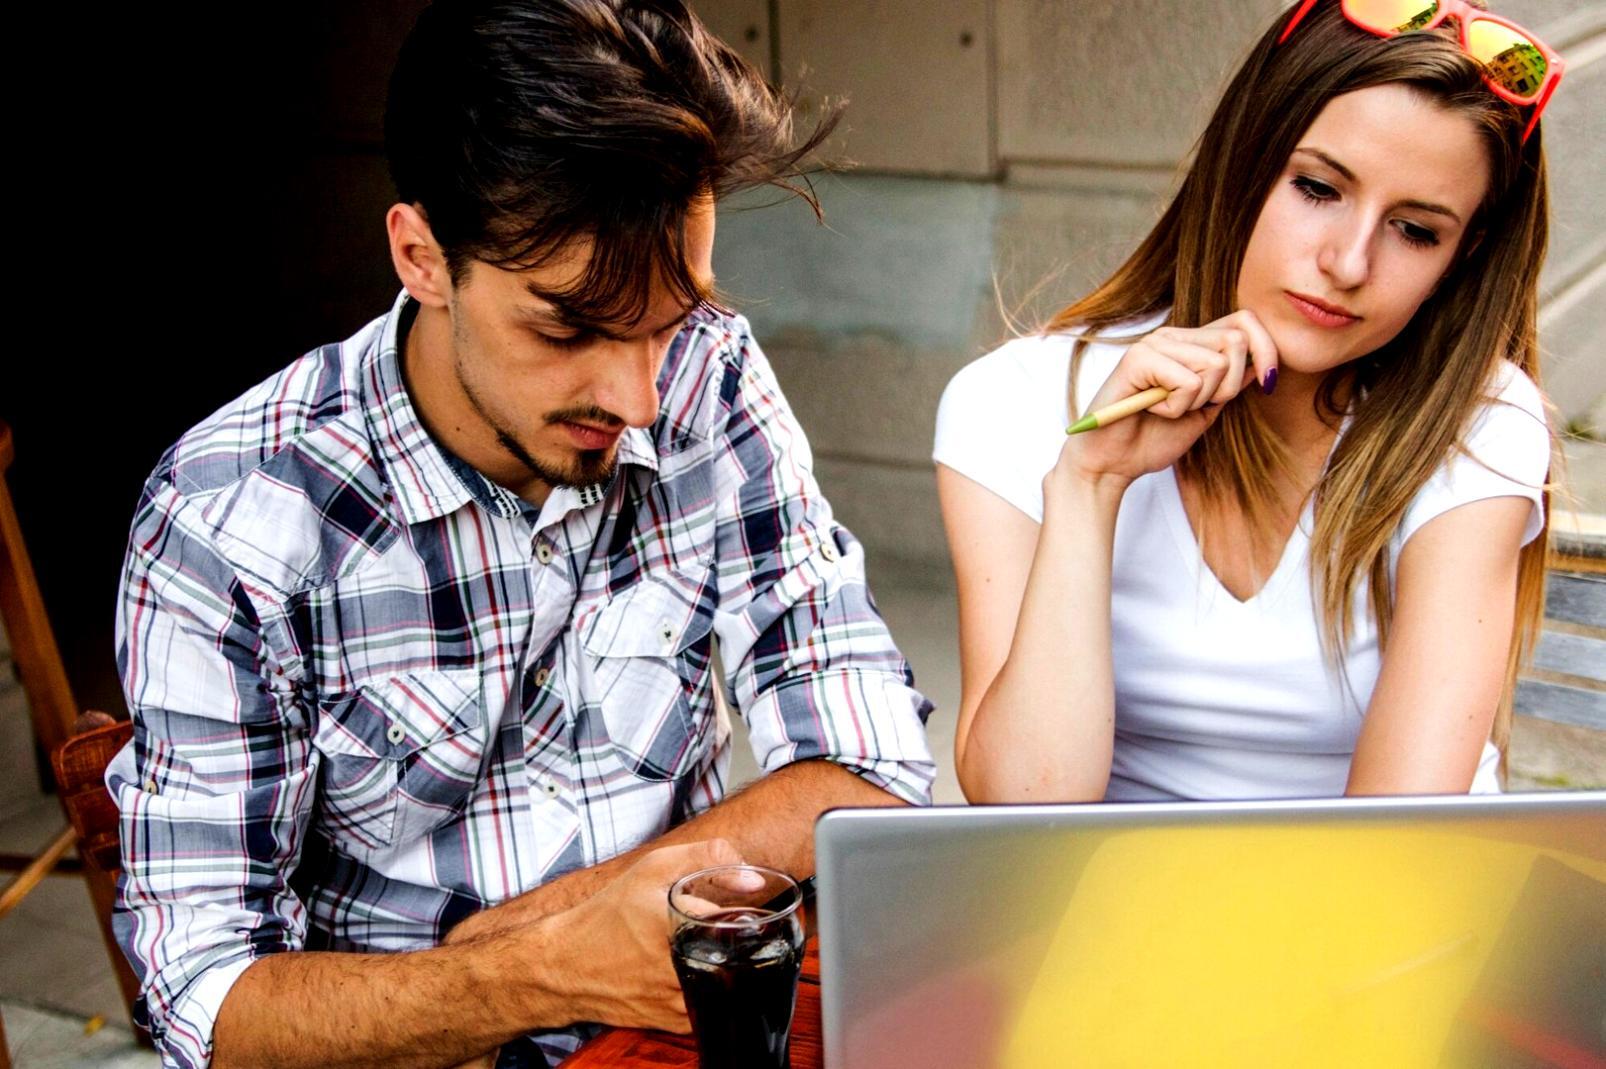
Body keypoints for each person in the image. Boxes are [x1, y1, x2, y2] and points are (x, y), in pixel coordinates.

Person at [108, 3, 935, 1068]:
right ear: (421, 256)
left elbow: (867, 765)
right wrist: (533, 972)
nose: (637, 396)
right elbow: (207, 1006)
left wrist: (555, 919)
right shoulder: (230, 515)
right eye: (567, 327)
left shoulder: (710, 376)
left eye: (665, 320)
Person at [935, 0, 1559, 805]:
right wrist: (1088, 486)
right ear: (1241, 162)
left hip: (1378, 911)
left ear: (1462, 255)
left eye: (1414, 230)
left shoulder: (1478, 424)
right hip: (1107, 904)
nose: (1347, 260)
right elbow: (1024, 809)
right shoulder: (1013, 401)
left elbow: (1400, 842)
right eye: (1317, 187)